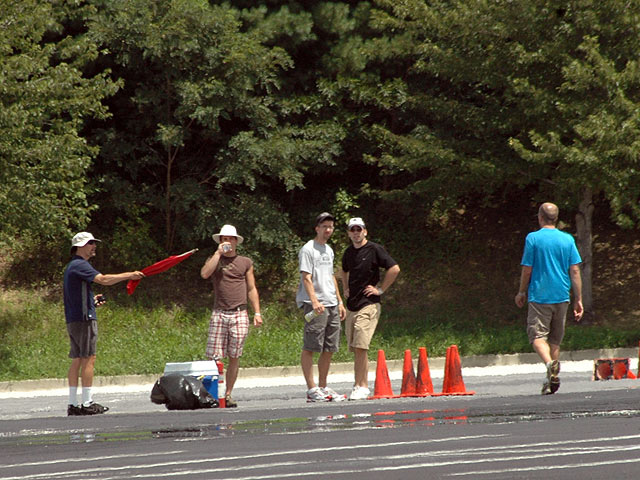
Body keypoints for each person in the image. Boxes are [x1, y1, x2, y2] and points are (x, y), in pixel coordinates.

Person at [64, 232, 145, 416]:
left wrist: (92, 301)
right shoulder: (80, 264)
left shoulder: (72, 266)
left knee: (77, 359)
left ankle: (73, 404)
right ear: (80, 246)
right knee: (88, 358)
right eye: (90, 243)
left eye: (94, 242)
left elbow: (76, 295)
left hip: (74, 318)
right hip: (84, 320)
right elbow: (103, 279)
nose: (94, 246)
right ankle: (87, 402)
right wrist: (130, 275)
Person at [515, 202, 583, 395]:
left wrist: (521, 291)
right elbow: (575, 270)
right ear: (556, 218)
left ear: (540, 217)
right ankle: (550, 379)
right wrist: (578, 298)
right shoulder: (567, 239)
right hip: (562, 295)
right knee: (554, 340)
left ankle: (549, 364)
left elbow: (527, 269)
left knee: (537, 336)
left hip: (540, 295)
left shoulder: (533, 238)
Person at [201, 224, 262, 408]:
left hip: (239, 313)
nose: (226, 241)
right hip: (219, 312)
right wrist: (218, 254)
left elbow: (251, 288)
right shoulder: (215, 259)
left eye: (229, 239)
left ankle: (227, 394)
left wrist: (257, 312)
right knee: (214, 357)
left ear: (236, 241)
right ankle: (214, 394)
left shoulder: (245, 262)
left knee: (235, 355)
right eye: (223, 239)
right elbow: (204, 274)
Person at [340, 217, 400, 400]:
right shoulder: (348, 252)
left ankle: (363, 386)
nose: (356, 233)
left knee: (361, 345)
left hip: (369, 304)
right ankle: (358, 384)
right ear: (349, 233)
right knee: (355, 347)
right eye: (352, 230)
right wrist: (345, 288)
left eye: (359, 229)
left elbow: (394, 268)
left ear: (365, 231)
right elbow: (343, 270)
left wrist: (380, 289)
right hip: (352, 305)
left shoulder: (374, 249)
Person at [296, 212, 347, 402]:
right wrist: (315, 301)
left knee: (330, 347)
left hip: (332, 303)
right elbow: (306, 277)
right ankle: (312, 389)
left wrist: (339, 301)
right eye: (324, 226)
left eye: (330, 227)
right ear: (317, 228)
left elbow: (331, 276)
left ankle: (323, 387)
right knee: (311, 346)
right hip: (315, 304)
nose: (328, 230)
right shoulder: (308, 249)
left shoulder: (329, 250)